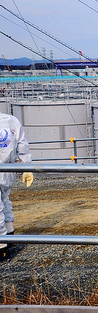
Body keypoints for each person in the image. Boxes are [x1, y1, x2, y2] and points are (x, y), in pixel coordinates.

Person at [0, 111, 34, 260]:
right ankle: (9, 232)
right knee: (5, 200)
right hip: (8, 169)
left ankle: (1, 245)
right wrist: (27, 167)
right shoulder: (11, 120)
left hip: (5, 167)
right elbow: (22, 145)